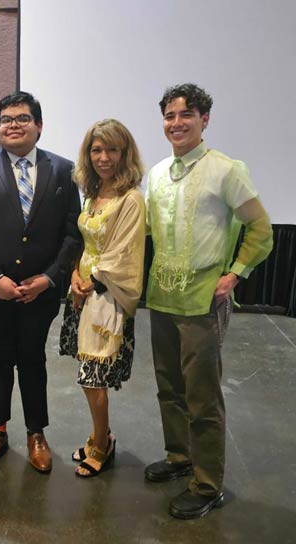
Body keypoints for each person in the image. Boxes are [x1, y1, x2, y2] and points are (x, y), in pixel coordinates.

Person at [143, 83, 273, 519]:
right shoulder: (159, 173)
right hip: (161, 296)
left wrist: (236, 274)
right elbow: (143, 231)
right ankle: (179, 458)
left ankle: (208, 483)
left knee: (202, 397)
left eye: (186, 115)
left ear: (204, 120)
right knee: (169, 387)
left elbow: (261, 229)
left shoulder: (225, 170)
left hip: (202, 301)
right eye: (169, 116)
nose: (176, 123)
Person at [0, 91, 81, 474]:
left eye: (23, 118)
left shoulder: (63, 170)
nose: (14, 124)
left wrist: (49, 278)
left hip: (40, 292)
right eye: (6, 119)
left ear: (39, 126)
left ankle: (36, 433)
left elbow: (72, 233)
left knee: (32, 359)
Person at [58, 119, 146, 478]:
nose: (104, 157)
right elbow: (84, 244)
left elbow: (123, 253)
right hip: (83, 291)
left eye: (112, 149)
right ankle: (100, 434)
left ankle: (102, 445)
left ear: (125, 153)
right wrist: (75, 277)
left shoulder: (131, 199)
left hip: (107, 296)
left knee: (94, 376)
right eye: (97, 149)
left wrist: (90, 281)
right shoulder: (93, 193)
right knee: (86, 375)